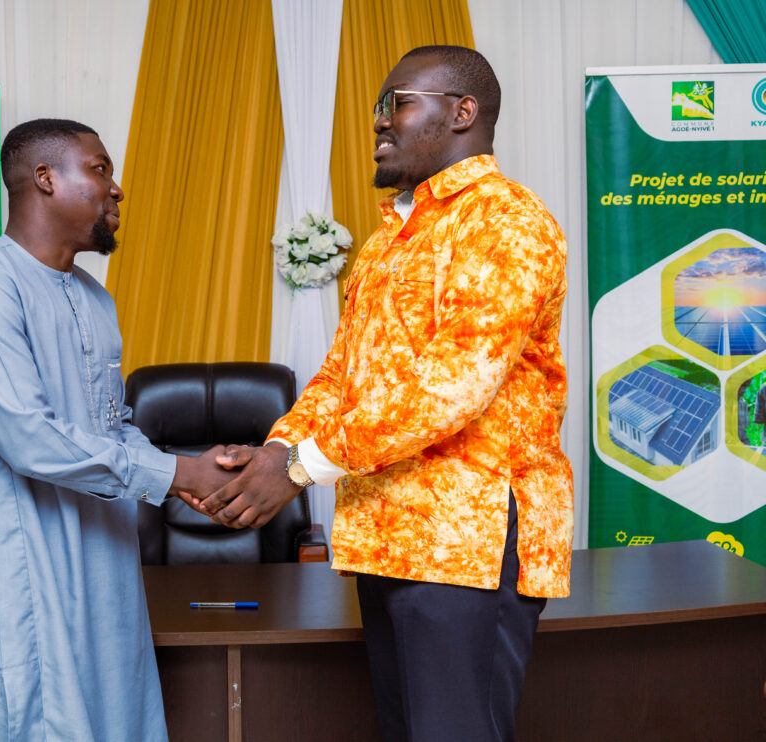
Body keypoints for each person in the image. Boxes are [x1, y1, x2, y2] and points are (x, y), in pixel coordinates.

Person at [199, 46, 573, 741]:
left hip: (466, 544)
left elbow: (450, 389)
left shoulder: (504, 222)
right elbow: (342, 374)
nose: (379, 121)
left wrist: (298, 468)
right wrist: (279, 448)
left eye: (397, 102)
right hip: (387, 537)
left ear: (463, 112)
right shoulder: (388, 240)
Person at [0, 118, 233, 741]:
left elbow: (109, 424)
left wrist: (197, 474)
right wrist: (180, 474)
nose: (117, 188)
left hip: (104, 566)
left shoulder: (93, 296)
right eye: (99, 169)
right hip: (19, 569)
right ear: (45, 179)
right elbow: (29, 438)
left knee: (116, 719)